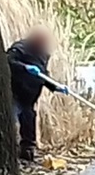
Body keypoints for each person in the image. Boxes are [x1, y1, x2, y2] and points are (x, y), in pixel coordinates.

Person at [7, 28, 68, 163]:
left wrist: (56, 86)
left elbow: (44, 76)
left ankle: (27, 153)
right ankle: (6, 150)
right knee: (11, 120)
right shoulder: (20, 48)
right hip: (15, 92)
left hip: (29, 97)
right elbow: (8, 62)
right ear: (34, 39)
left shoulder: (43, 55)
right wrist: (25, 68)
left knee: (29, 122)